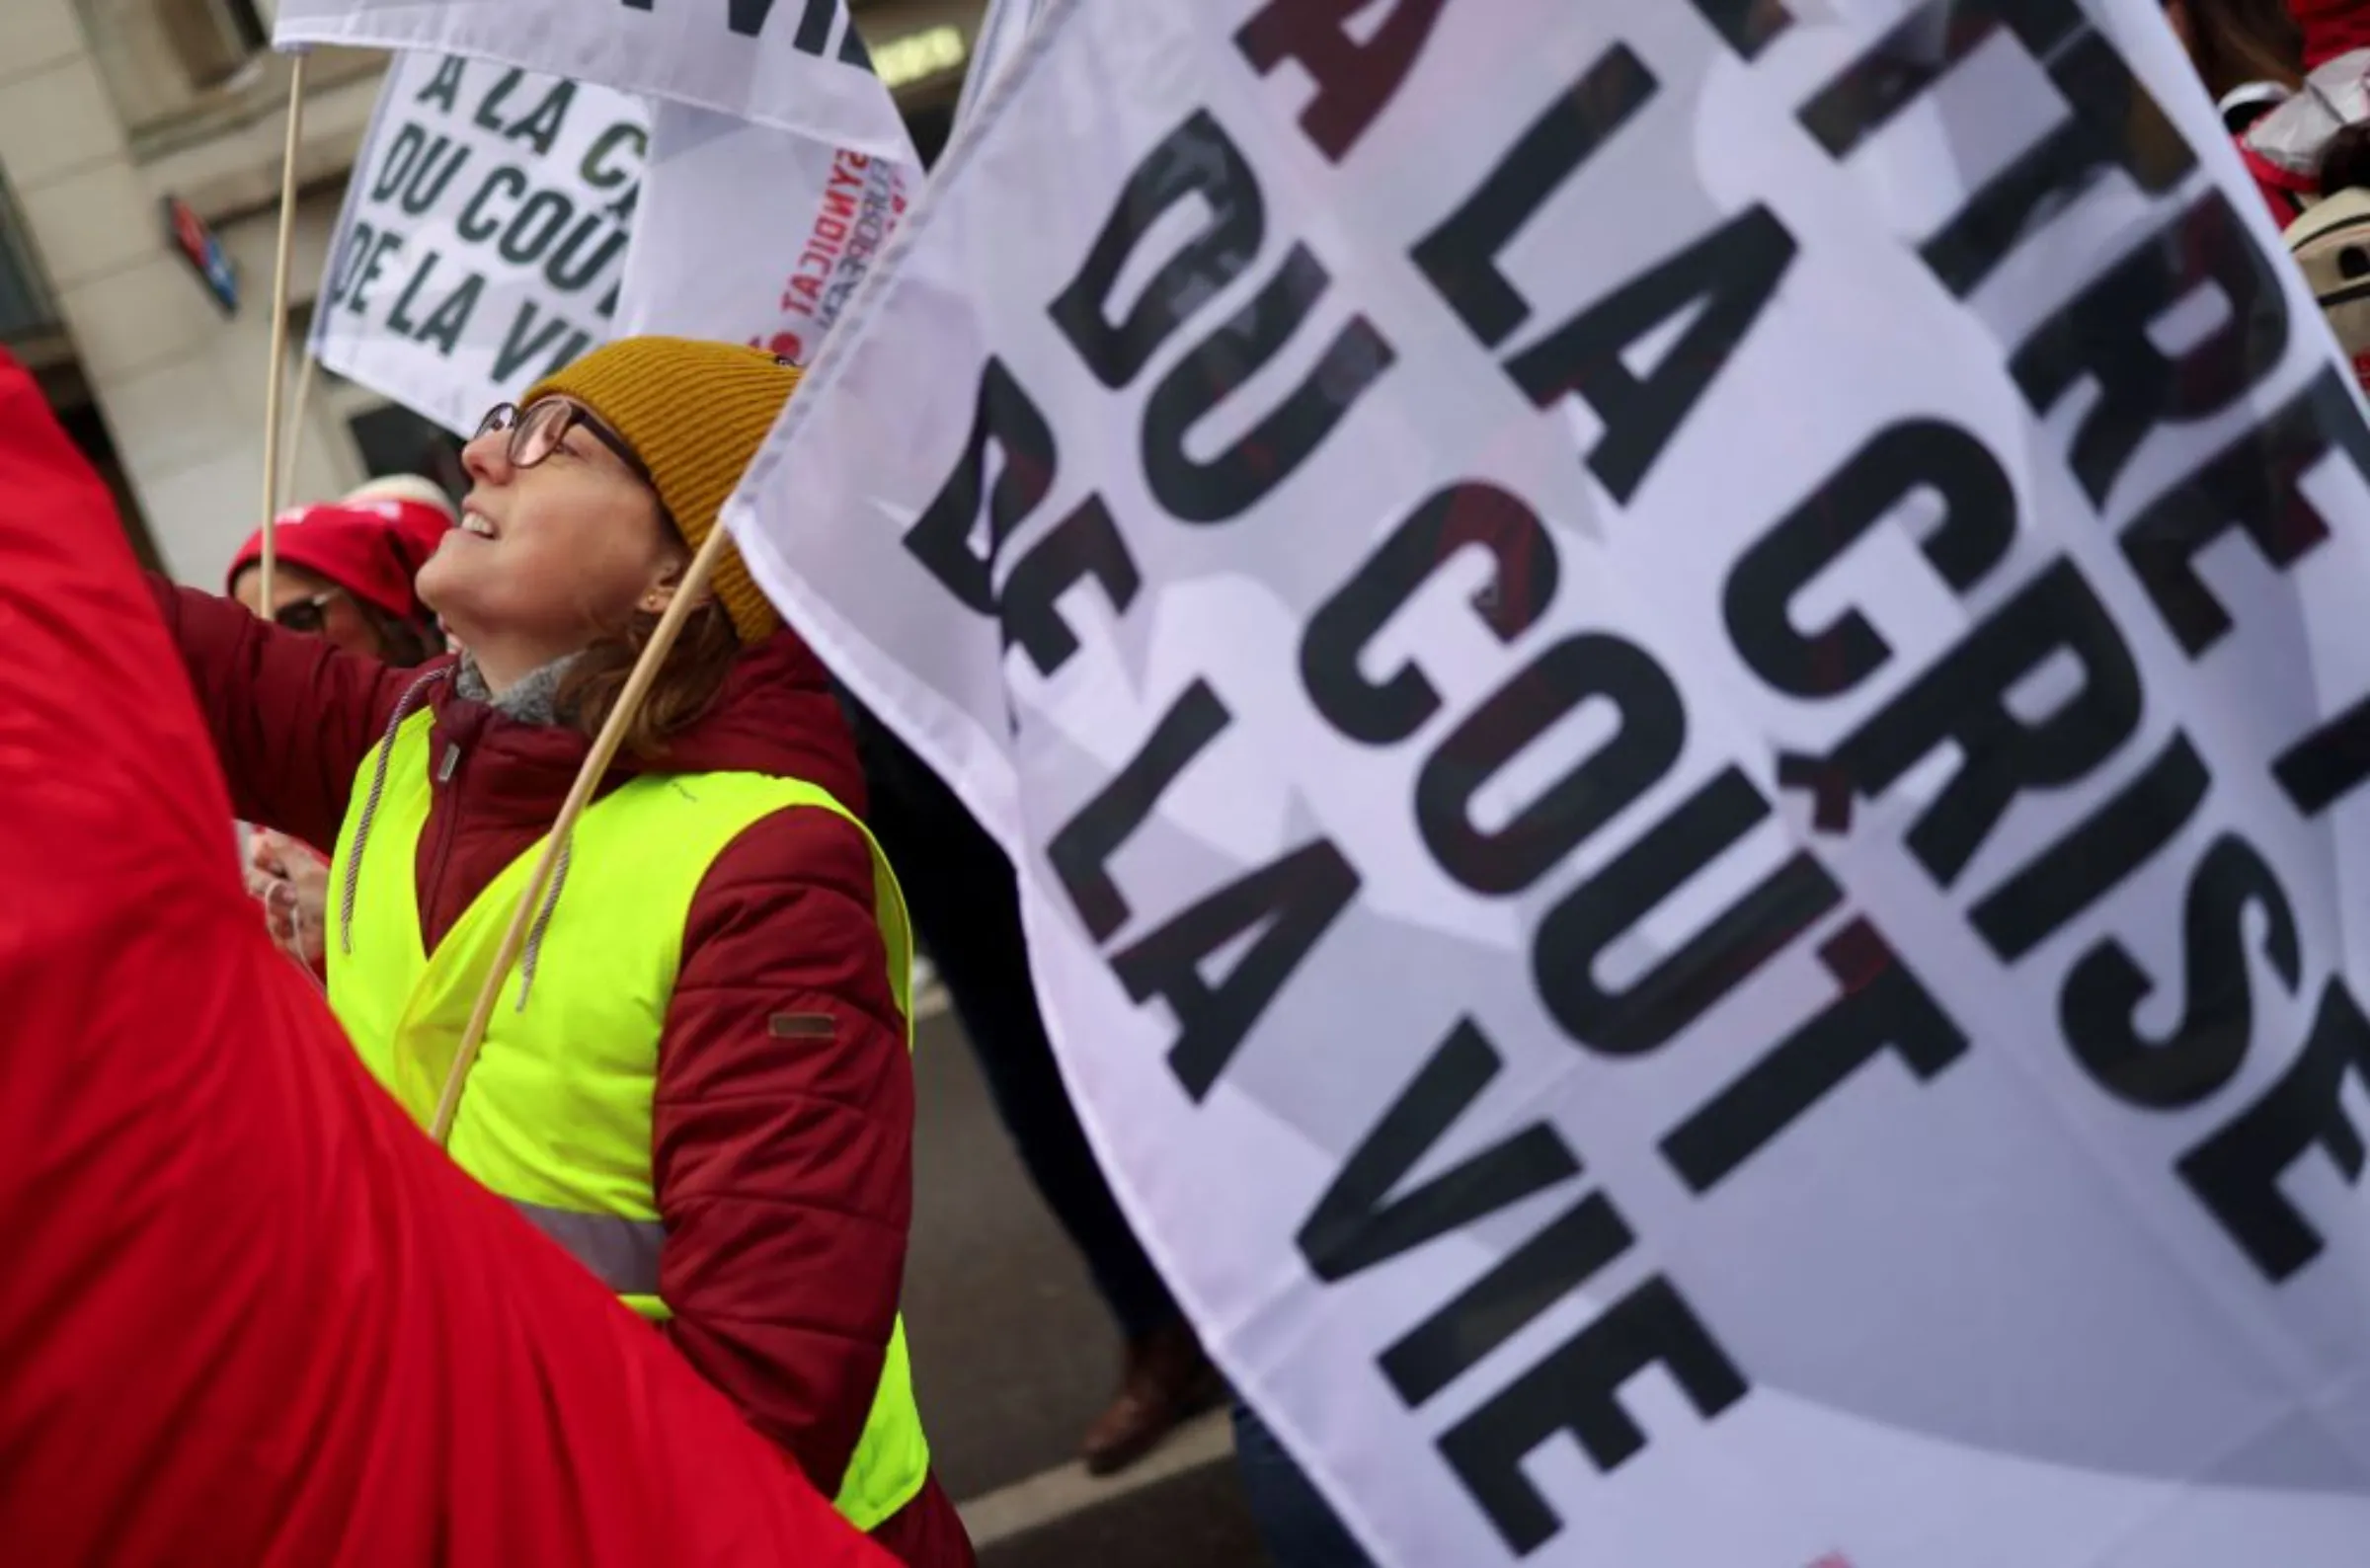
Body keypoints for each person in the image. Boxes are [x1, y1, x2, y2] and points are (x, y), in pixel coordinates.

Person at [0, 344, 891, 1568]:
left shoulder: (770, 866)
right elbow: (115, 628)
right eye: (506, 422)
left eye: (556, 444)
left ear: (677, 572)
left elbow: (776, 1386)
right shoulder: (410, 738)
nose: (480, 453)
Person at [845, 700, 1221, 1474]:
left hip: (1027, 715)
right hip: (889, 757)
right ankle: (1158, 1324)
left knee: (1165, 998)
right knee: (1028, 1073)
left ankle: (1271, 1280)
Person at [226, 481, 455, 972]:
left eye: (300, 616)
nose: (276, 647)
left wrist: (350, 920)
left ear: (381, 612)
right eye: (255, 632)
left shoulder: (468, 749)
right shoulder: (276, 798)